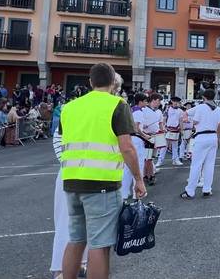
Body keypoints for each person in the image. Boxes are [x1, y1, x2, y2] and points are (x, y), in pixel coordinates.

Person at [60, 63, 145, 279]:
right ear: (112, 82)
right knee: (100, 244)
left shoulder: (70, 107)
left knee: (76, 239)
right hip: (102, 183)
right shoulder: (117, 104)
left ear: (90, 82)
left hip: (71, 181)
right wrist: (138, 179)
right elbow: (127, 147)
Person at [180, 89, 220, 199]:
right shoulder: (219, 109)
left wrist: (186, 119)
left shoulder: (200, 107)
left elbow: (194, 121)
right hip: (213, 136)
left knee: (196, 165)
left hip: (201, 136)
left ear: (204, 97)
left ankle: (190, 191)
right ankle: (207, 189)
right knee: (209, 165)